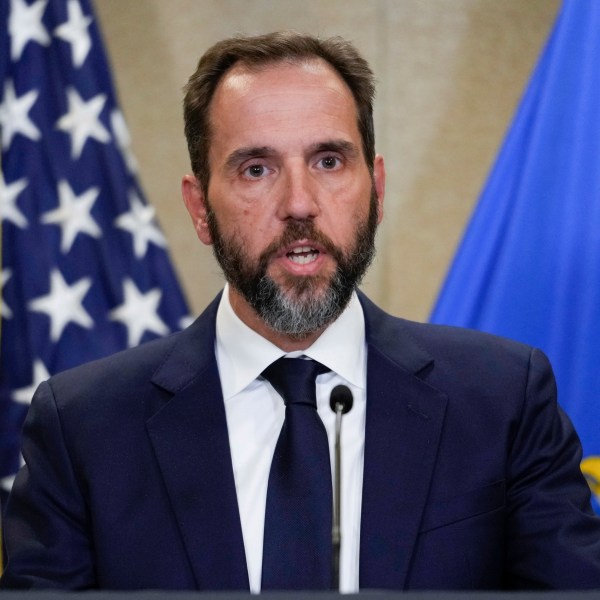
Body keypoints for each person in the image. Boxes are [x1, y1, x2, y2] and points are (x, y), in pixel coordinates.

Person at [2, 31, 600, 592]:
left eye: (329, 161)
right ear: (200, 208)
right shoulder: (83, 428)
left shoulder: (503, 402)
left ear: (378, 188)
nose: (299, 204)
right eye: (256, 169)